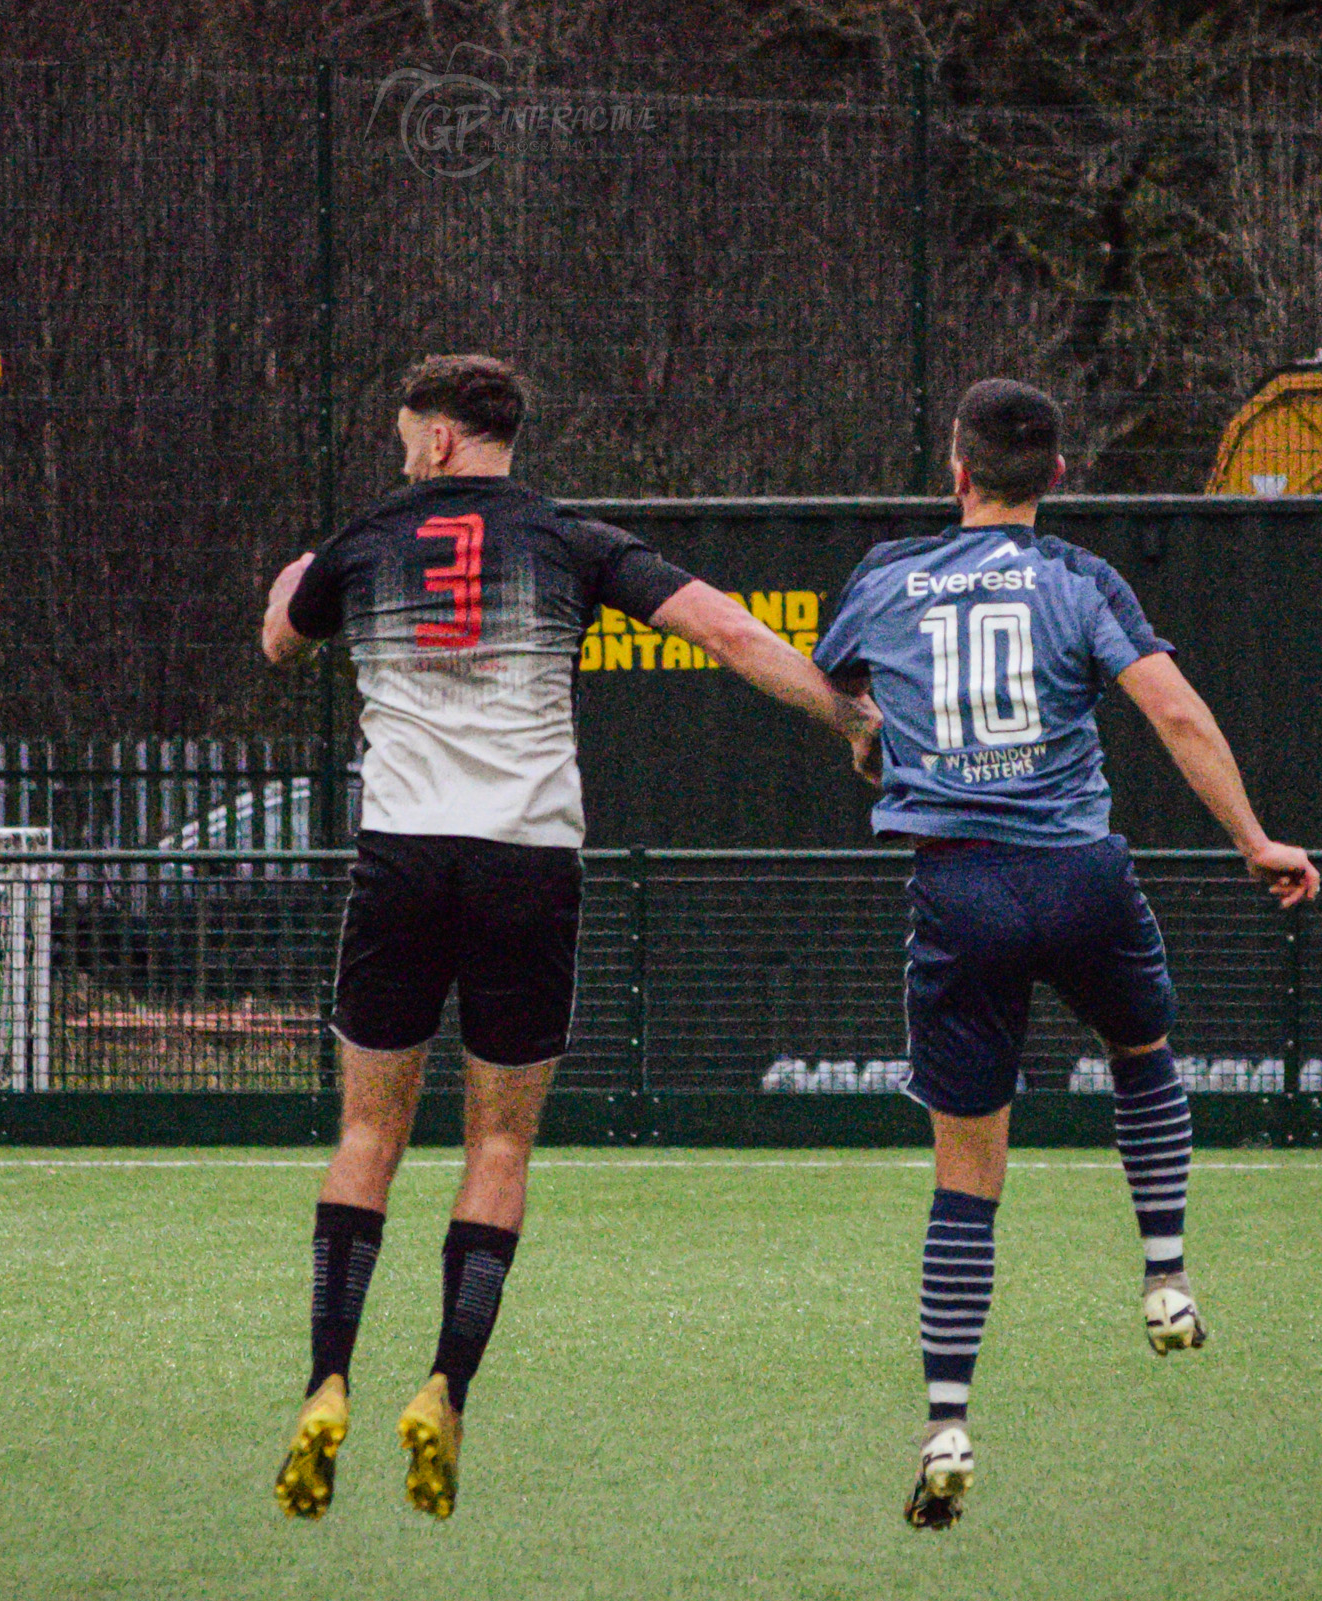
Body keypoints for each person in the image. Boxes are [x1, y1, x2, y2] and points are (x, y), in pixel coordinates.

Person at [258, 353, 878, 1521]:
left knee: (368, 1133)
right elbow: (726, 633)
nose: (404, 452)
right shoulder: (570, 540)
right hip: (525, 864)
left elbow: (279, 641)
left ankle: (326, 1379)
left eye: (406, 435)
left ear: (440, 439)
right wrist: (846, 715)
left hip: (400, 860)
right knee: (497, 1147)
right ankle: (444, 1388)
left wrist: (296, 578)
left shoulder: (363, 542)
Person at [811, 378, 1319, 1531]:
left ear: (955, 470)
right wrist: (1254, 840)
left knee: (965, 1176)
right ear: (1054, 476)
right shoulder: (1080, 579)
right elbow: (1175, 715)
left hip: (959, 888)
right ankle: (1165, 1275)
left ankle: (947, 1422)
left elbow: (839, 693)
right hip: (1082, 878)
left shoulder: (885, 576)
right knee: (1140, 1049)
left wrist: (869, 739)